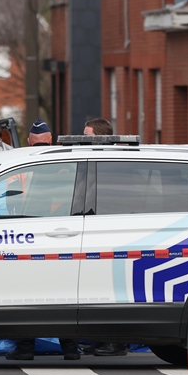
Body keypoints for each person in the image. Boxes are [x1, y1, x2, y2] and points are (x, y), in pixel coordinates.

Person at [6, 117, 80, 361]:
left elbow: (11, 204)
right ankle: (70, 348)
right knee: (64, 295)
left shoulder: (19, 167)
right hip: (61, 238)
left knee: (27, 295)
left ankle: (26, 347)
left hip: (29, 237)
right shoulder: (66, 166)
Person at [81, 118, 128, 357]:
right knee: (97, 290)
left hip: (114, 233)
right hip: (101, 230)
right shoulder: (98, 163)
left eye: (86, 136)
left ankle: (116, 342)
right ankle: (102, 339)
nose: (82, 140)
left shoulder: (114, 164)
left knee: (113, 288)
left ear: (100, 138)